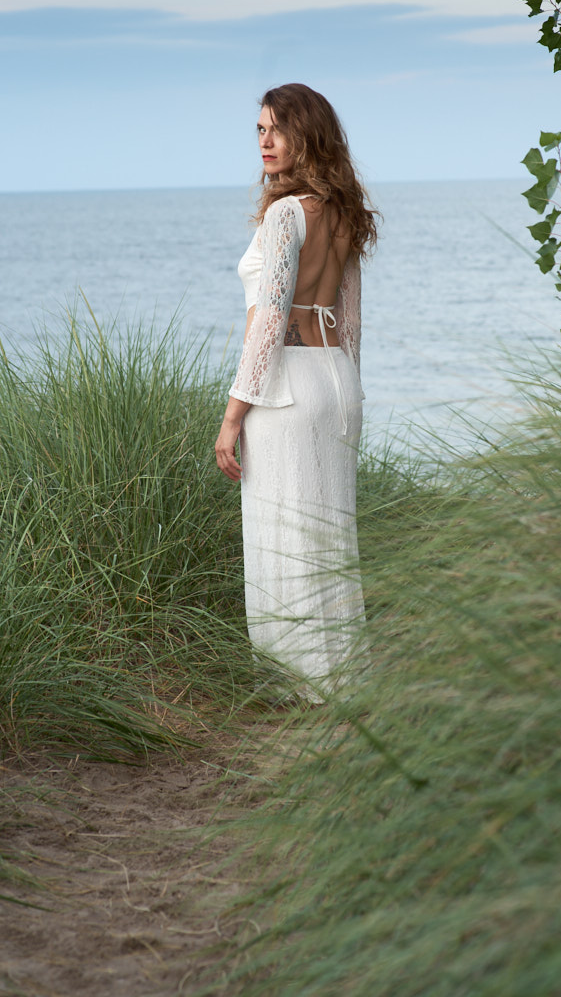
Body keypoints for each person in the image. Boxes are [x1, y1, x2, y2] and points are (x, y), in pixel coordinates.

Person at [214, 83, 377, 700]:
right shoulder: (345, 213)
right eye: (259, 130)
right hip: (337, 376)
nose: (264, 141)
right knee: (330, 532)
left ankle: (297, 685)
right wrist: (349, 393)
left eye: (277, 129)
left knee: (283, 535)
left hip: (287, 384)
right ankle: (342, 679)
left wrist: (233, 417)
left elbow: (268, 321)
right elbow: (351, 318)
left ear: (307, 134)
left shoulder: (287, 214)